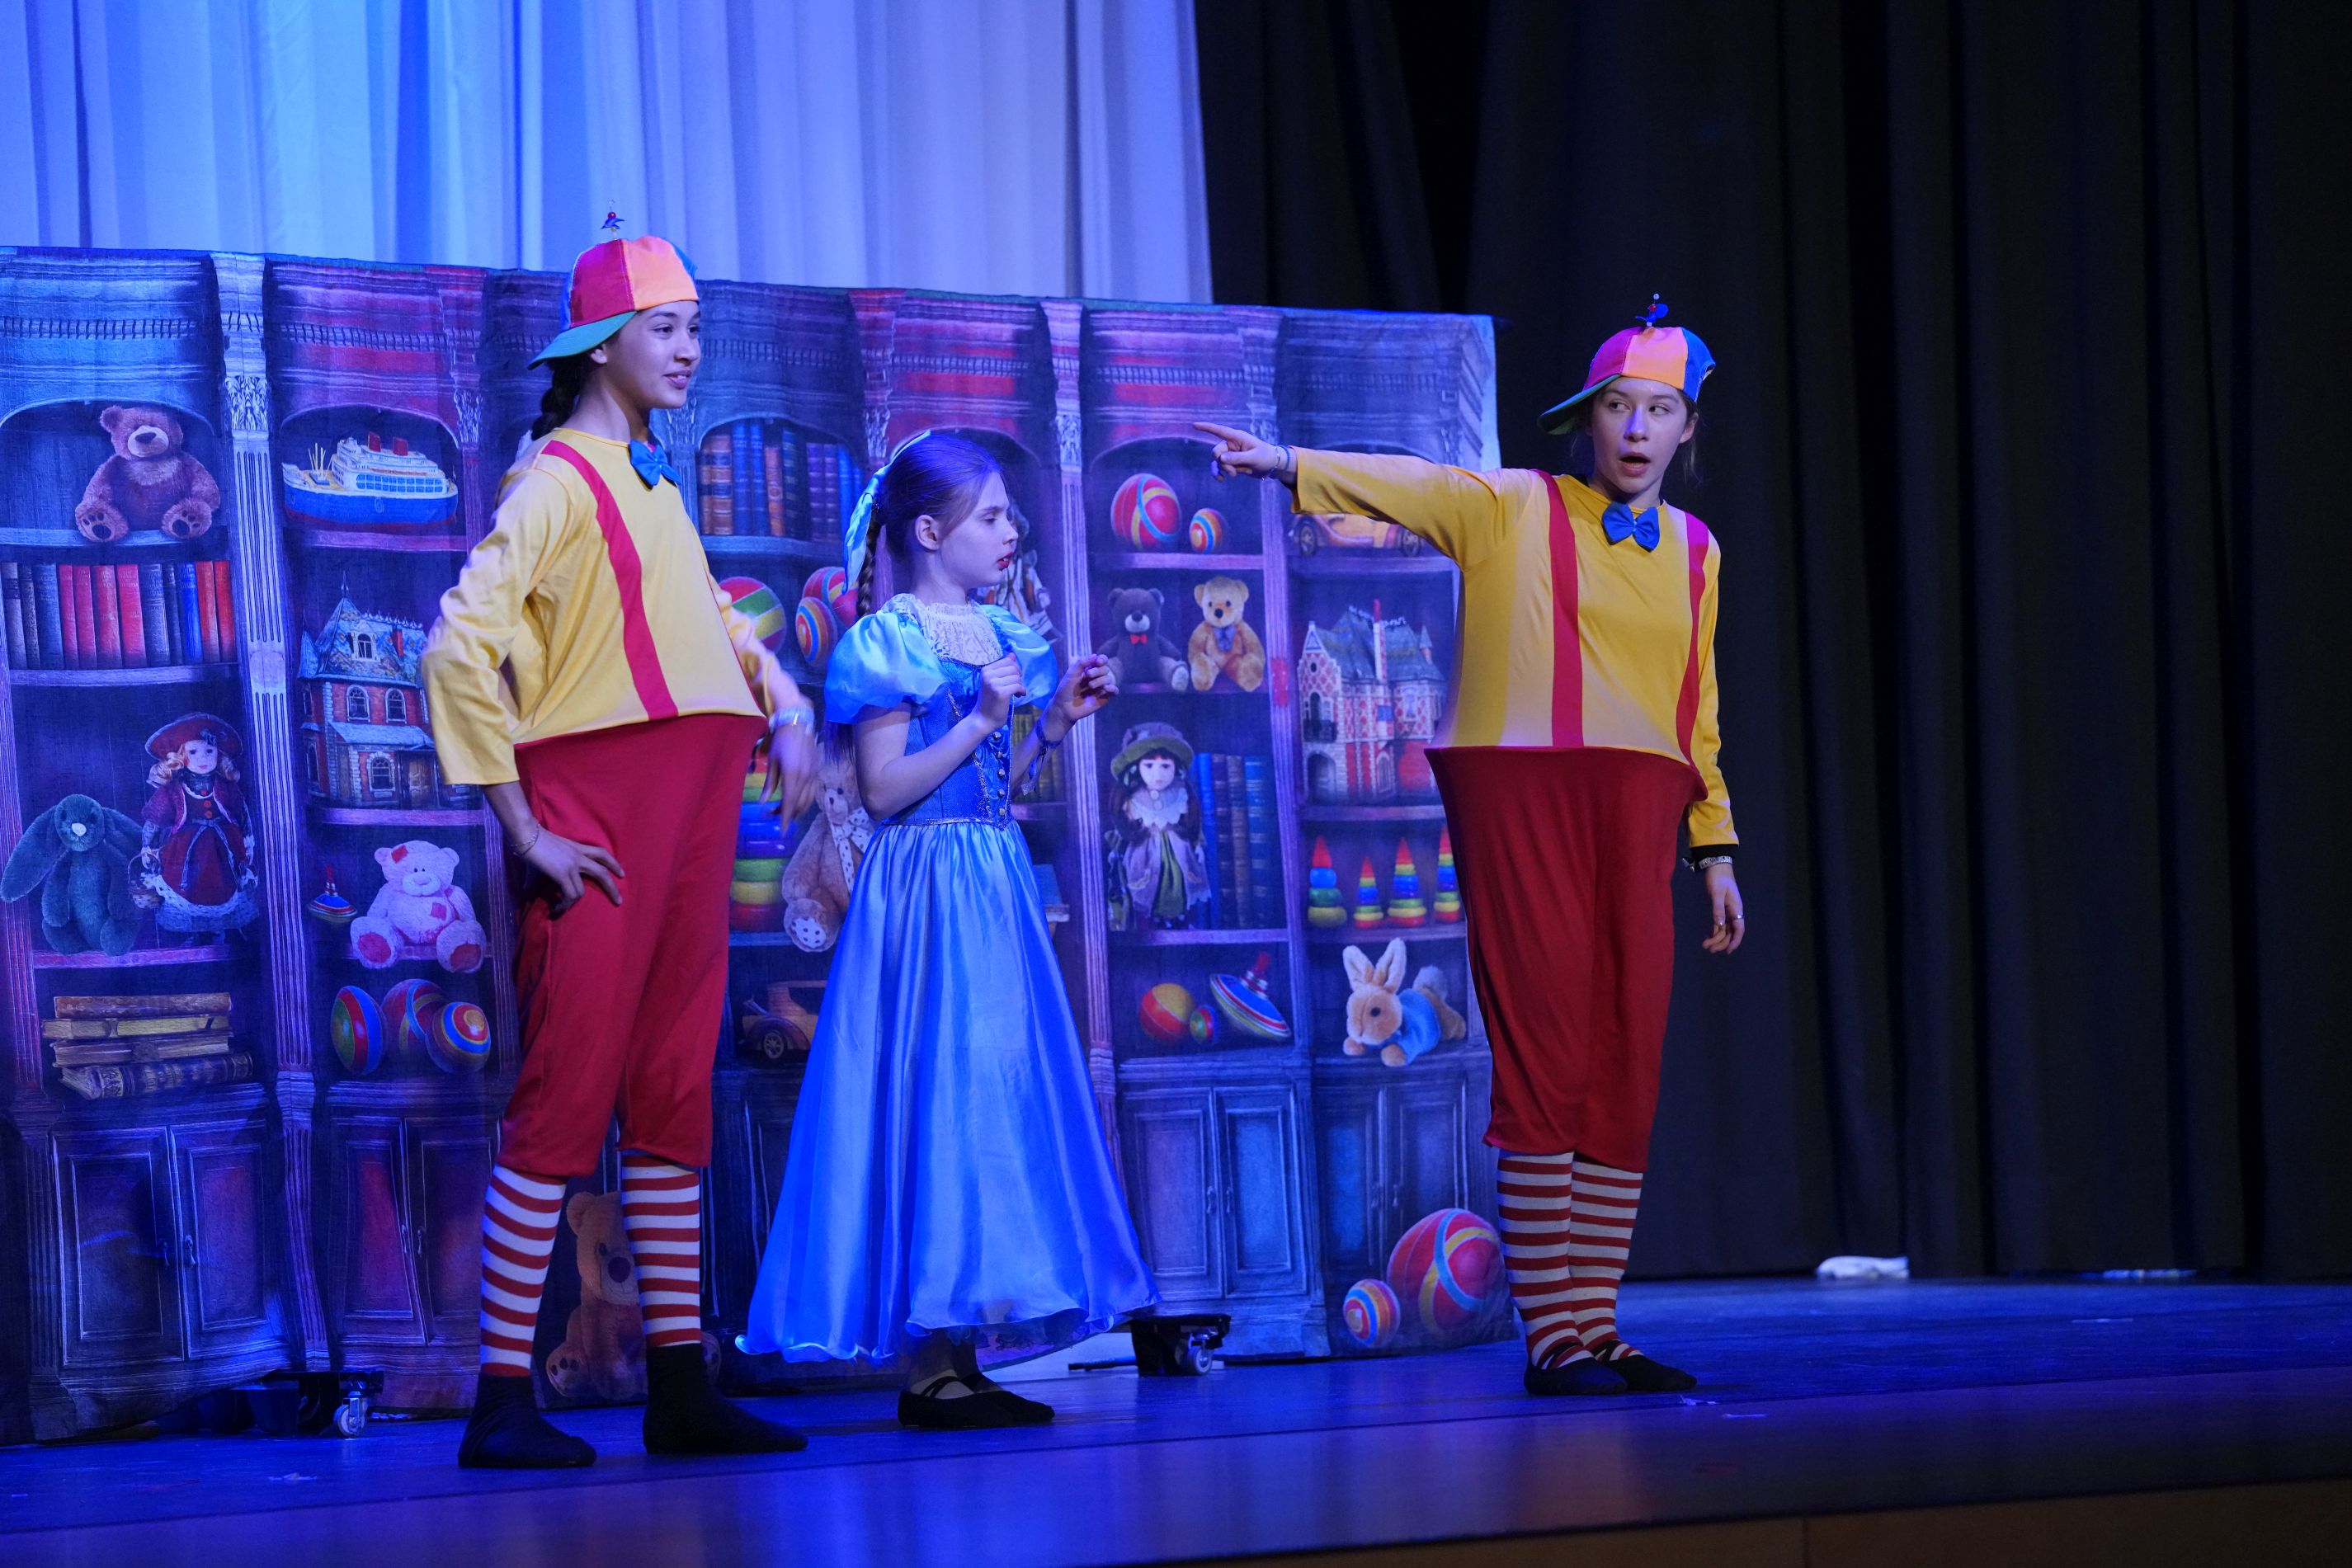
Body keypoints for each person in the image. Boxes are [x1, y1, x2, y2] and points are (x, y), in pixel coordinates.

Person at [1198, 299, 1746, 1397]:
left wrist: (1713, 845)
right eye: (1617, 407)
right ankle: (1552, 1338)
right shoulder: (1513, 507)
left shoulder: (1696, 550)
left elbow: (1698, 711)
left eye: (1658, 411)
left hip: (1642, 804)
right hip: (1526, 795)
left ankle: (1596, 1325)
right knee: (1547, 1044)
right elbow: (1410, 483)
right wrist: (1288, 463)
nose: (1636, 429)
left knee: (1624, 1053)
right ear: (1586, 418)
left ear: (1686, 428)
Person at [422, 233, 821, 1467]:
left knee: (670, 1086)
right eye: (665, 327)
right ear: (602, 343)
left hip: (694, 810)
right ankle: (501, 1399)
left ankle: (678, 1385)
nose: (688, 350)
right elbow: (455, 647)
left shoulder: (652, 482)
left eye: (695, 327)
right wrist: (525, 828)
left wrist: (783, 697)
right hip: (600, 812)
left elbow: (706, 622)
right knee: (566, 1092)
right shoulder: (555, 480)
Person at [742, 432, 1157, 1429]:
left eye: (1009, 514)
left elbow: (995, 787)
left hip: (988, 879)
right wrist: (978, 718)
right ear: (930, 532)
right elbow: (885, 791)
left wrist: (1051, 721)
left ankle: (960, 1353)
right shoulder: (889, 639)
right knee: (932, 1093)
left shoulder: (1001, 632)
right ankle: (929, 1364)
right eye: (992, 516)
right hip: (922, 890)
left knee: (984, 1096)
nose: (1011, 531)